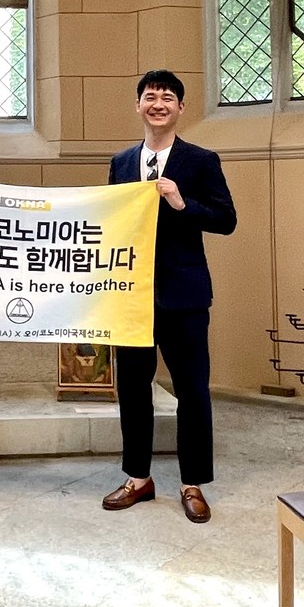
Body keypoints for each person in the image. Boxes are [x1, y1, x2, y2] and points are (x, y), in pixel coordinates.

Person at [102, 70, 236, 523]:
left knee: (192, 391)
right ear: (137, 105)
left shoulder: (201, 160)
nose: (157, 104)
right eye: (149, 96)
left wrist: (182, 203)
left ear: (180, 107)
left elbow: (226, 219)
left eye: (166, 97)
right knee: (132, 390)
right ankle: (138, 478)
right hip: (131, 297)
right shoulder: (121, 162)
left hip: (184, 295)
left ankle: (192, 482)